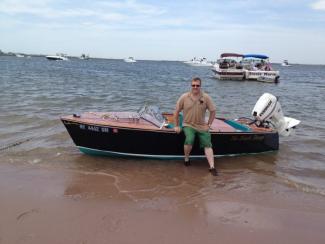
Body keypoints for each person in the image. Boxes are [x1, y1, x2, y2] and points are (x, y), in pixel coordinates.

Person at [174, 77, 218, 176]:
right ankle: (186, 159)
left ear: (200, 86)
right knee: (189, 139)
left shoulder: (206, 97)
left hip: (202, 126)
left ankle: (212, 167)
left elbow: (213, 111)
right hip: (188, 125)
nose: (195, 87)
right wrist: (176, 126)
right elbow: (176, 111)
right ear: (191, 86)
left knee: (207, 144)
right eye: (193, 85)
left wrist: (209, 124)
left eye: (197, 85)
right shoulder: (184, 97)